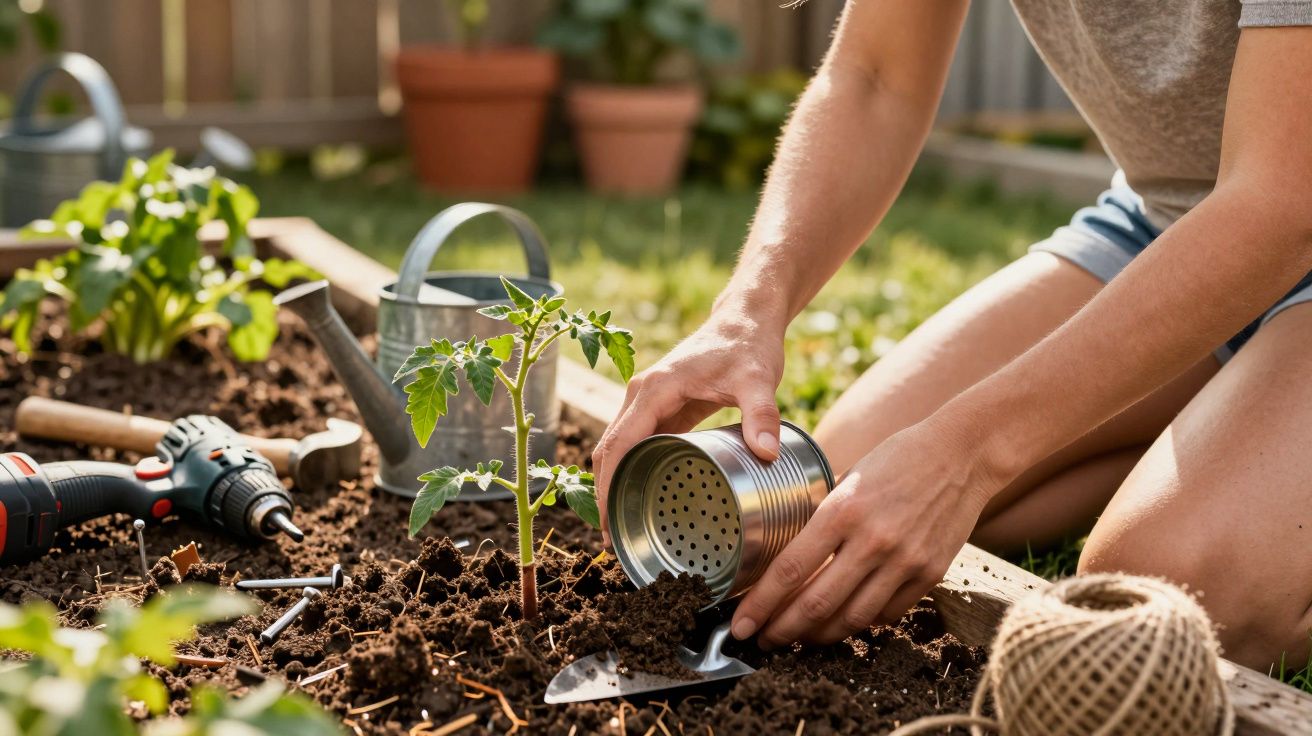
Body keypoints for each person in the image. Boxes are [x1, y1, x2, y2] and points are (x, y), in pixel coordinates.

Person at [591, 0, 1312, 672]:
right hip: (1171, 220)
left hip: (1285, 205)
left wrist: (971, 452)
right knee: (840, 496)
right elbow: (876, 79)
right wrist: (747, 311)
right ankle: (1245, 420)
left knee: (1172, 597)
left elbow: (1283, 202)